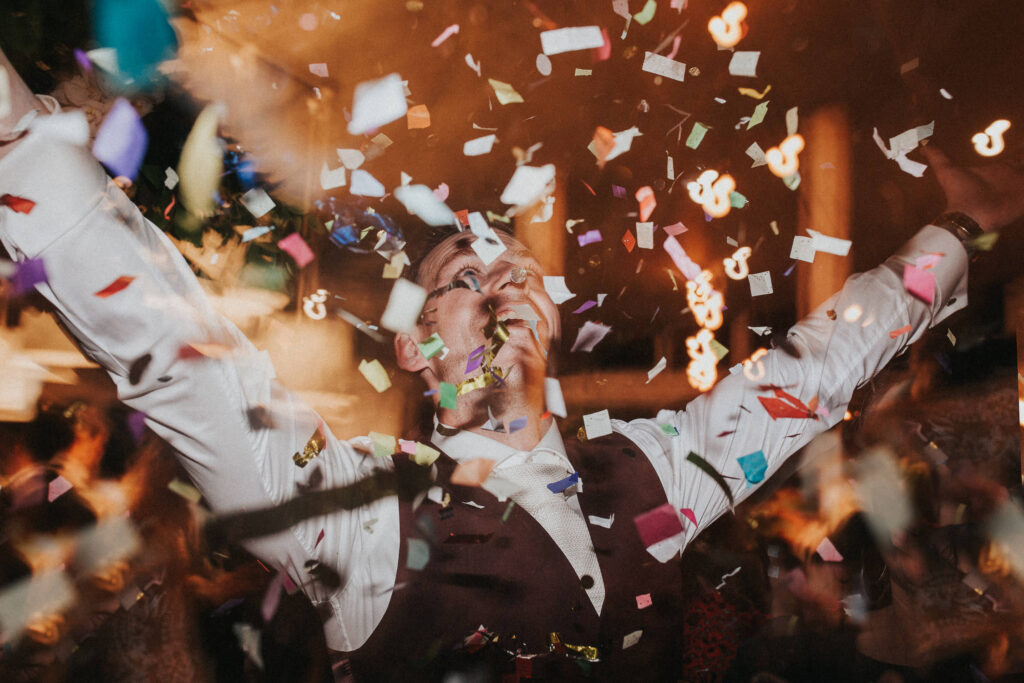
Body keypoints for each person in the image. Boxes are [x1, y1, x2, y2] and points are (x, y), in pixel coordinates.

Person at [2, 45, 1023, 680]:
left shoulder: (655, 472)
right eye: (459, 275)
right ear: (412, 344)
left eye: (516, 272)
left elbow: (819, 363)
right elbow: (183, 358)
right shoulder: (355, 514)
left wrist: (958, 234)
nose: (498, 284)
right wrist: (21, 149)